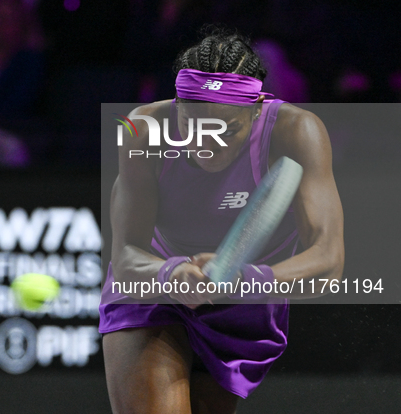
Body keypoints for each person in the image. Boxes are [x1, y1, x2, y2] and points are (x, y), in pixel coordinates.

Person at [99, 28, 344, 414]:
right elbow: (126, 254)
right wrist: (172, 274)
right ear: (177, 105)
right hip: (152, 291)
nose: (206, 144)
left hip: (245, 304)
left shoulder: (299, 130)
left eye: (227, 130)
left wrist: (248, 278)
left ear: (258, 108)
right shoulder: (141, 128)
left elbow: (328, 260)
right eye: (195, 127)